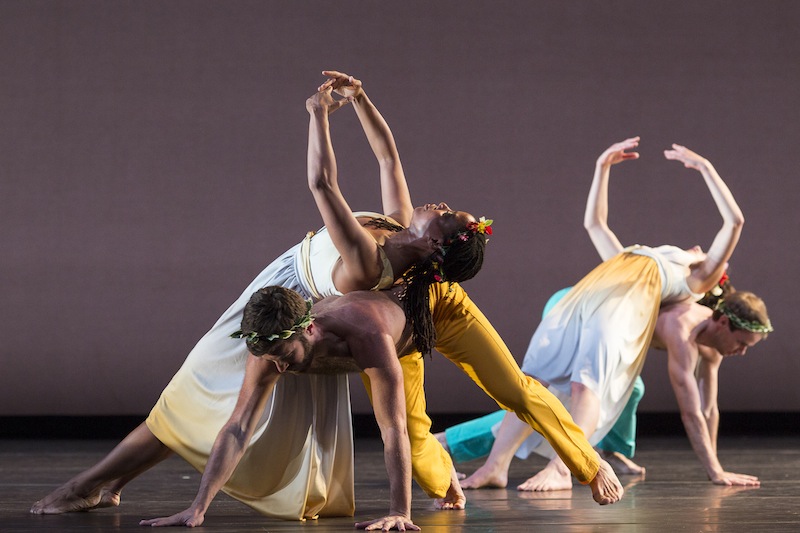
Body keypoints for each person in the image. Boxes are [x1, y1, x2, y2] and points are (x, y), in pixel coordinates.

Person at [30, 72, 621, 526]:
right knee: (410, 426)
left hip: (397, 310)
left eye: (445, 217)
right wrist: (362, 100)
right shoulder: (401, 231)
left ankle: (588, 464)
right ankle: (446, 484)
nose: (438, 204)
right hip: (364, 312)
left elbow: (322, 183)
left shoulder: (370, 263)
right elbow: (388, 155)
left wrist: (318, 115)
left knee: (509, 388)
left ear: (434, 248)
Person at [452, 137, 771, 492]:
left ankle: (563, 468)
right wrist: (602, 167)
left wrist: (706, 169)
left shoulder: (696, 278)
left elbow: (735, 222)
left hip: (618, 310)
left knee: (586, 386)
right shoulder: (635, 260)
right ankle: (497, 466)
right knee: (532, 383)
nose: (698, 247)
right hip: (584, 298)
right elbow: (595, 226)